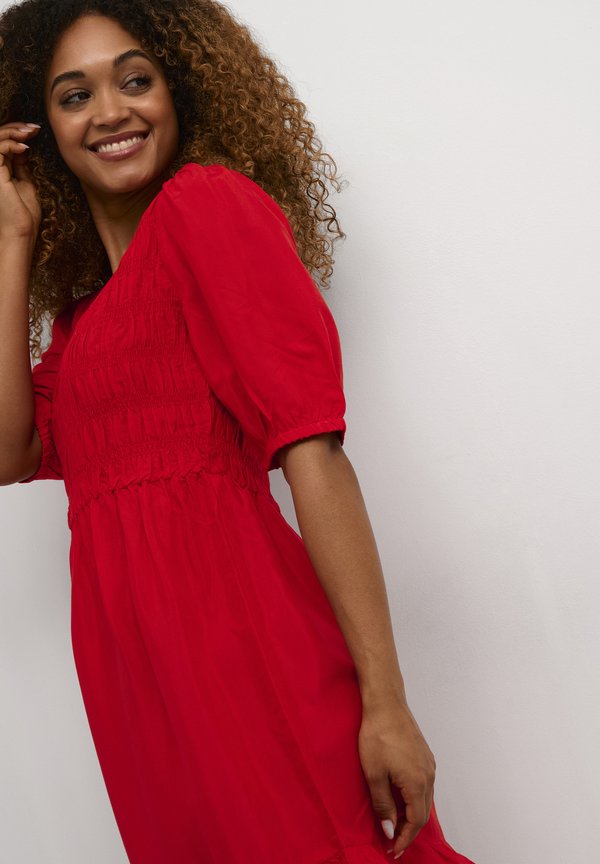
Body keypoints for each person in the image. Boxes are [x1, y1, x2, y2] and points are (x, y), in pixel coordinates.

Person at [0, 2, 476, 862]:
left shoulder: (206, 206)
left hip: (246, 648)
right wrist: (11, 241)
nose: (110, 111)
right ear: (41, 130)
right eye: (74, 95)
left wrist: (386, 703)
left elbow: (312, 449)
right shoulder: (83, 327)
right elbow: (10, 452)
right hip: (138, 685)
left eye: (135, 80)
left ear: (181, 91)